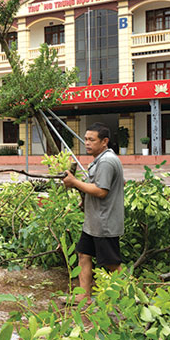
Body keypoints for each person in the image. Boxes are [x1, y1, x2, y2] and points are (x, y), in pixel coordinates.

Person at [61, 122, 125, 304]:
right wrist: (86, 199)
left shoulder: (106, 161)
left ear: (104, 141)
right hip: (94, 221)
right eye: (86, 139)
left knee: (112, 263)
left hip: (104, 222)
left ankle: (128, 297)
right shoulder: (104, 159)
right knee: (83, 254)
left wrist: (74, 182)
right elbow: (114, 184)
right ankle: (84, 295)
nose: (87, 143)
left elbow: (101, 191)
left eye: (92, 140)